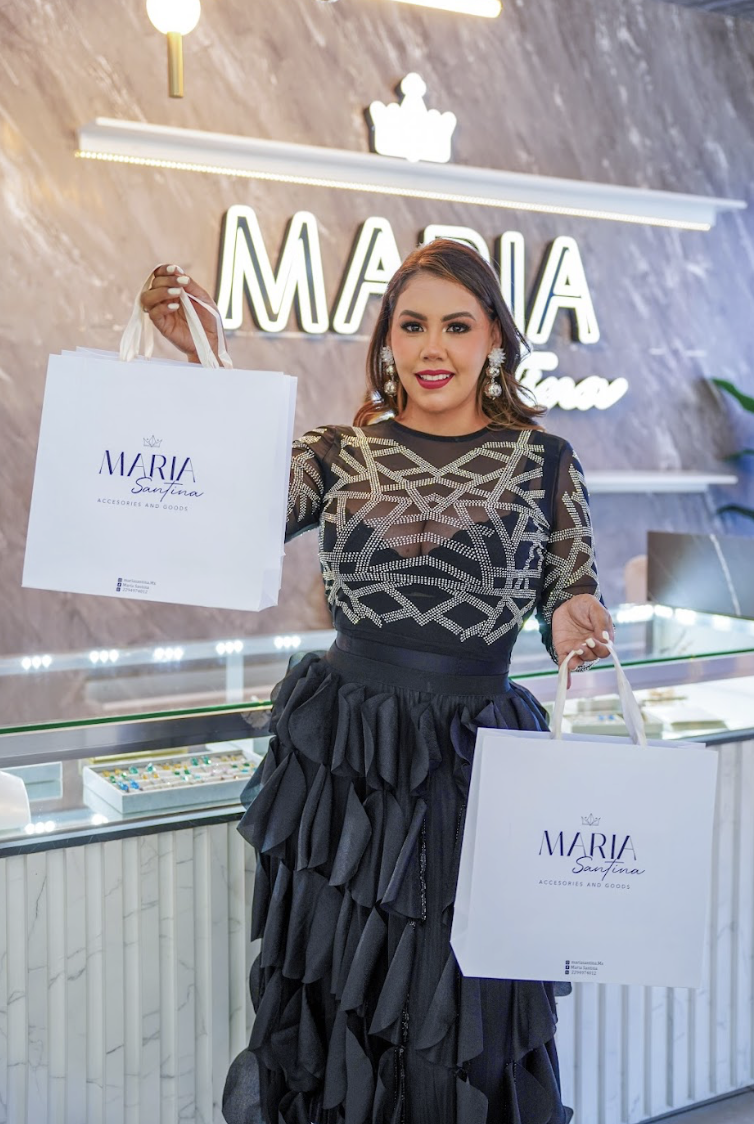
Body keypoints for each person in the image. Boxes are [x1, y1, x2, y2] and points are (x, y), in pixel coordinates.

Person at [143, 240, 613, 1124]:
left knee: (461, 1000)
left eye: (457, 326)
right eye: (412, 326)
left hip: (473, 766)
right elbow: (235, 505)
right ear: (387, 340)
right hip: (344, 763)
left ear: (494, 339)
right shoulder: (336, 453)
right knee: (338, 992)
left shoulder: (546, 463)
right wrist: (209, 361)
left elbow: (569, 592)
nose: (433, 349)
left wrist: (573, 620)